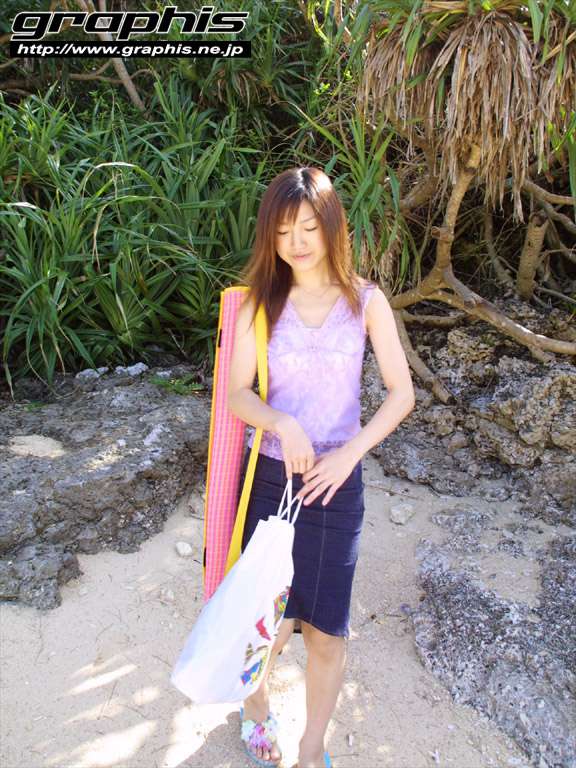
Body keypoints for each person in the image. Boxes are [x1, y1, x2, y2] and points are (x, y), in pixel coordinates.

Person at [227, 167, 416, 768]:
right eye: (284, 231)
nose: (298, 242)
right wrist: (281, 423)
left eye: (309, 227)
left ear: (332, 226)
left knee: (327, 631)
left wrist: (350, 453)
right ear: (270, 236)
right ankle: (256, 709)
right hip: (271, 480)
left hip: (338, 483)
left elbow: (401, 393)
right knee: (266, 621)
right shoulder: (259, 303)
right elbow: (237, 393)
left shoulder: (366, 301)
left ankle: (312, 748)